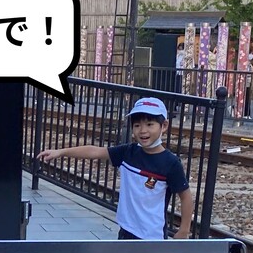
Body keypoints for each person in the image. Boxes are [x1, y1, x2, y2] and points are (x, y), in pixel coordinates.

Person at [37, 95, 194, 240]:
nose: (143, 130)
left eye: (149, 124)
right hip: (126, 230)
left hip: (151, 236)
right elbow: (95, 151)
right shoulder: (127, 152)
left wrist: (184, 230)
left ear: (164, 126)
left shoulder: (170, 163)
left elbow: (185, 196)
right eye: (137, 125)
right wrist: (61, 152)